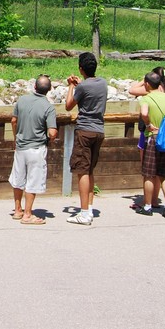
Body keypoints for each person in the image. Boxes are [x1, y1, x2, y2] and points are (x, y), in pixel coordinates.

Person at [64, 51, 107, 226]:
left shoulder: (81, 87)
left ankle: (83, 213)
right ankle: (88, 208)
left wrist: (71, 86)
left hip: (85, 131)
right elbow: (90, 90)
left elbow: (68, 106)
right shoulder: (102, 83)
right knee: (89, 171)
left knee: (82, 171)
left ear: (81, 68)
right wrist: (79, 84)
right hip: (99, 131)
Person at [9, 74, 57, 225]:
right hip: (36, 148)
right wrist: (52, 137)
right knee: (33, 181)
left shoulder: (22, 100)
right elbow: (52, 132)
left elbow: (13, 120)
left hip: (21, 146)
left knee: (18, 179)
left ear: (34, 86)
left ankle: (18, 210)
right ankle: (28, 214)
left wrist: (16, 138)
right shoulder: (48, 107)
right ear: (49, 90)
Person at [136, 71, 165, 218]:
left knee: (149, 174)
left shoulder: (146, 99)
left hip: (153, 138)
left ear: (147, 84)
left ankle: (148, 206)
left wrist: (149, 124)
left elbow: (144, 113)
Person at [128, 67, 165, 209]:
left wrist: (144, 79)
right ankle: (154, 199)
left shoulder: (151, 92)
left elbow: (132, 90)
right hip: (164, 134)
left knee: (148, 170)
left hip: (149, 133)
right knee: (160, 171)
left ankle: (148, 201)